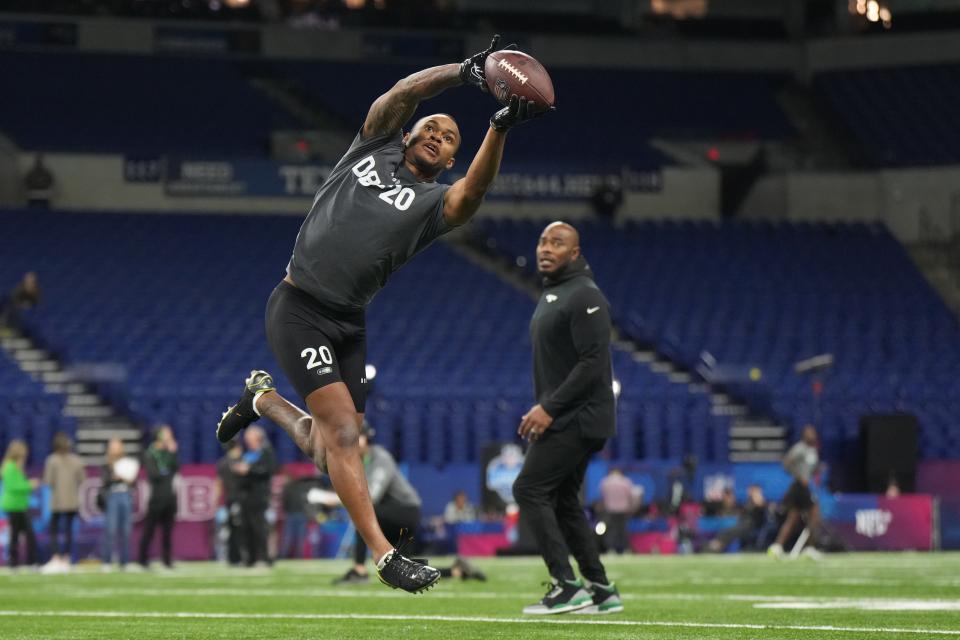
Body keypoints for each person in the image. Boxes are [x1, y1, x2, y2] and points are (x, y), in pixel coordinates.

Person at [215, 35, 547, 593]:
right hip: (298, 306)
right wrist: (467, 71)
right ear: (412, 133)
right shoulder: (372, 145)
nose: (438, 137)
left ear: (447, 160)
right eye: (432, 128)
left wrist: (499, 128)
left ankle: (263, 400)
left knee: (330, 452)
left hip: (349, 323)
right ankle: (385, 555)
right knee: (344, 434)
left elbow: (475, 193)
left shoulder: (432, 205)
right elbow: (404, 92)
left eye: (449, 140)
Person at [513, 221, 623, 615]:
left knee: (528, 488)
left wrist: (549, 407)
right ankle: (601, 589)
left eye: (557, 243)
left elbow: (593, 363)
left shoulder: (585, 295)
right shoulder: (556, 293)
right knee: (563, 502)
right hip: (570, 414)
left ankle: (566, 584)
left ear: (574, 253)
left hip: (580, 416)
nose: (546, 248)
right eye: (542, 240)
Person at [332, 422, 485, 584]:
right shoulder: (362, 461)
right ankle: (456, 571)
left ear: (365, 439)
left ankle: (359, 571)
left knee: (362, 513)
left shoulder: (380, 458)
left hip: (405, 511)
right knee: (402, 567)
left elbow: (371, 496)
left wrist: (333, 499)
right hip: (396, 511)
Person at [768, 425, 822, 559]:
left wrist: (817, 471)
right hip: (799, 486)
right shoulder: (799, 448)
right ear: (804, 435)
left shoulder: (813, 451)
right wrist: (798, 475)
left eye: (813, 433)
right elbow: (787, 462)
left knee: (793, 518)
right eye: (809, 433)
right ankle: (809, 547)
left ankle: (777, 546)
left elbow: (811, 469)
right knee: (814, 514)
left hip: (804, 486)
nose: (812, 435)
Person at [41, 432, 85, 573]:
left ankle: (56, 558)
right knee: (68, 531)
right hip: (72, 501)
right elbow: (82, 479)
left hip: (58, 501)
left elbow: (48, 481)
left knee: (54, 530)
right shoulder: (76, 460)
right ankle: (66, 558)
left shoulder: (52, 460)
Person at [234, 426, 277, 567]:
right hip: (246, 495)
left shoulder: (266, 453)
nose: (248, 442)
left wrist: (249, 470)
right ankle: (250, 559)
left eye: (250, 439)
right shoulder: (247, 455)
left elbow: (269, 470)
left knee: (259, 527)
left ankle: (264, 558)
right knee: (246, 528)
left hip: (259, 495)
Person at [138, 425, 180, 569]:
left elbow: (176, 468)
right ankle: (142, 558)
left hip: (169, 496)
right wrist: (166, 472)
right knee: (149, 530)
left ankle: (167, 559)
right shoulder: (150, 452)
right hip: (156, 497)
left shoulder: (168, 452)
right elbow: (153, 474)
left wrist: (173, 453)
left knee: (167, 532)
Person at [2, 439, 39, 570]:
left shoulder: (14, 467)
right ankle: (29, 562)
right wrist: (30, 484)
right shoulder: (10, 467)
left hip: (19, 505)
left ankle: (16, 562)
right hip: (15, 506)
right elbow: (14, 486)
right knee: (25, 535)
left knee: (17, 535)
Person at [101, 438, 137, 571]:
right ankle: (107, 561)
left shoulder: (127, 462)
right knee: (110, 530)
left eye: (117, 446)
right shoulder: (107, 463)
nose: (115, 448)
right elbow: (104, 481)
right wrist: (113, 476)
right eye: (112, 446)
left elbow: (133, 481)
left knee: (126, 531)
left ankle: (125, 561)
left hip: (126, 494)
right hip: (113, 495)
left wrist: (124, 478)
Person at [708, 485, 770, 552]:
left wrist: (757, 495)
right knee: (726, 531)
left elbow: (760, 505)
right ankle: (717, 547)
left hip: (751, 526)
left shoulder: (760, 501)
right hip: (742, 523)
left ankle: (716, 547)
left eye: (752, 490)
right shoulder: (748, 502)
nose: (749, 492)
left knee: (731, 531)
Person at [215, 439, 244, 565]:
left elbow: (219, 484)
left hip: (229, 500)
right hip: (240, 499)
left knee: (230, 529)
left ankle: (231, 557)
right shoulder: (239, 462)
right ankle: (237, 557)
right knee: (239, 529)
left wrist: (216, 500)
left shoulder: (221, 463)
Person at [599, 468, 640, 555]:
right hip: (623, 510)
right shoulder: (626, 481)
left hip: (611, 510)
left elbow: (602, 496)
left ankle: (610, 549)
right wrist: (632, 507)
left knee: (611, 530)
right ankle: (625, 549)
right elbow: (632, 496)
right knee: (623, 530)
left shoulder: (606, 482)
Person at [280, 471, 308, 559]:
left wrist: (286, 511)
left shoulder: (287, 488)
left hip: (291, 514)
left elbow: (285, 502)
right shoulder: (302, 487)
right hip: (302, 514)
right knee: (300, 538)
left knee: (288, 537)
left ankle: (283, 556)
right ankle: (299, 556)